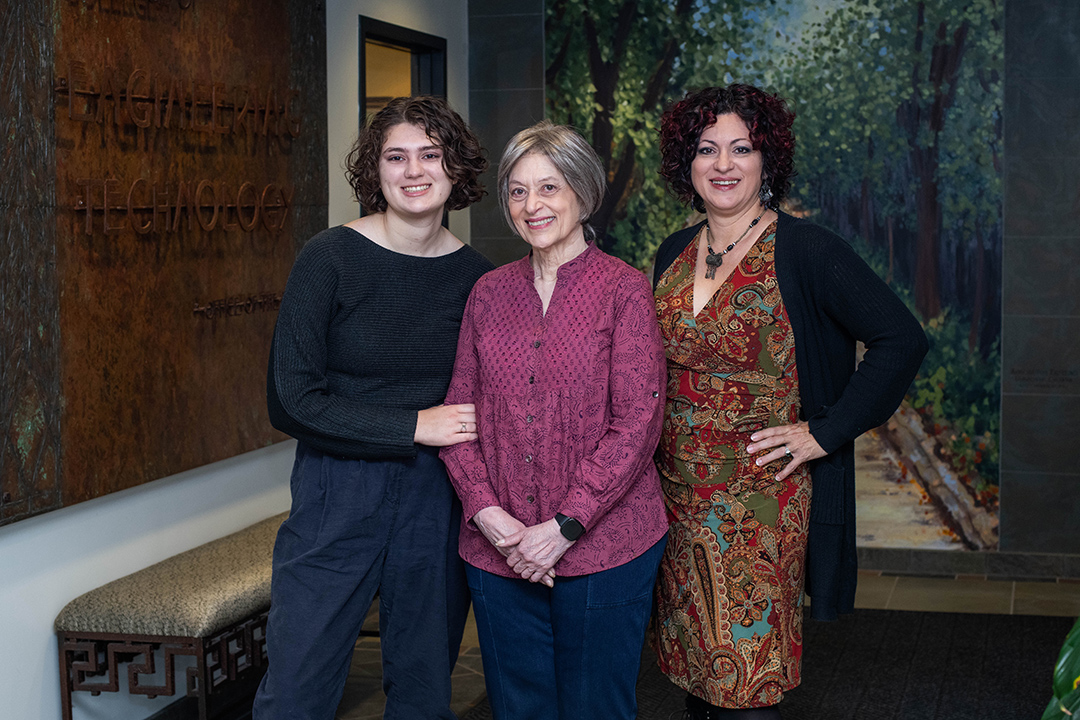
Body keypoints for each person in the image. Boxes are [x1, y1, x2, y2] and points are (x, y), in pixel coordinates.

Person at [649, 84, 928, 719]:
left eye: (741, 148)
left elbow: (901, 339)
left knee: (746, 683)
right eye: (706, 149)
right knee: (697, 673)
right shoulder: (673, 252)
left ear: (766, 160)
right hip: (674, 498)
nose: (723, 164)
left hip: (759, 503)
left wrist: (825, 433)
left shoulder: (807, 250)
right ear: (685, 164)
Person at [252, 95, 494, 720]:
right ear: (375, 171)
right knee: (298, 683)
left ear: (455, 169)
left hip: (435, 498)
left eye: (430, 155)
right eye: (396, 156)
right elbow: (290, 400)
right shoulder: (327, 259)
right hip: (336, 491)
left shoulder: (480, 280)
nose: (414, 171)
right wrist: (414, 425)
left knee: (422, 684)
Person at [439, 121, 669, 720]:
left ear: (582, 194)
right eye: (518, 191)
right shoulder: (487, 293)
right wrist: (487, 513)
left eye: (549, 187)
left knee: (597, 708)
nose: (533, 205)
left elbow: (638, 423)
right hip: (498, 549)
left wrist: (562, 527)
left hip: (605, 547)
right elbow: (459, 415)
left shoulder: (623, 290)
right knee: (519, 709)